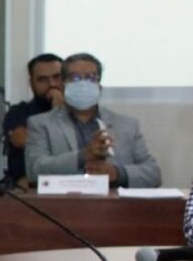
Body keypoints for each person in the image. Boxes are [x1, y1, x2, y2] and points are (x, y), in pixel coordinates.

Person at [25, 52, 160, 188]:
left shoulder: (127, 125)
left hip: (114, 205)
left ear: (99, 87)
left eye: (91, 78)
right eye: (75, 78)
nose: (83, 84)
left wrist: (118, 173)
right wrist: (83, 156)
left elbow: (153, 174)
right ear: (62, 86)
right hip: (64, 205)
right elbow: (34, 171)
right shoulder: (41, 124)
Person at [1, 53, 63, 190]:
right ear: (31, 83)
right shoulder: (19, 112)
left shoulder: (81, 112)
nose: (52, 84)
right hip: (29, 185)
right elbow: (22, 140)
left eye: (57, 77)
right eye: (42, 79)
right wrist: (57, 112)